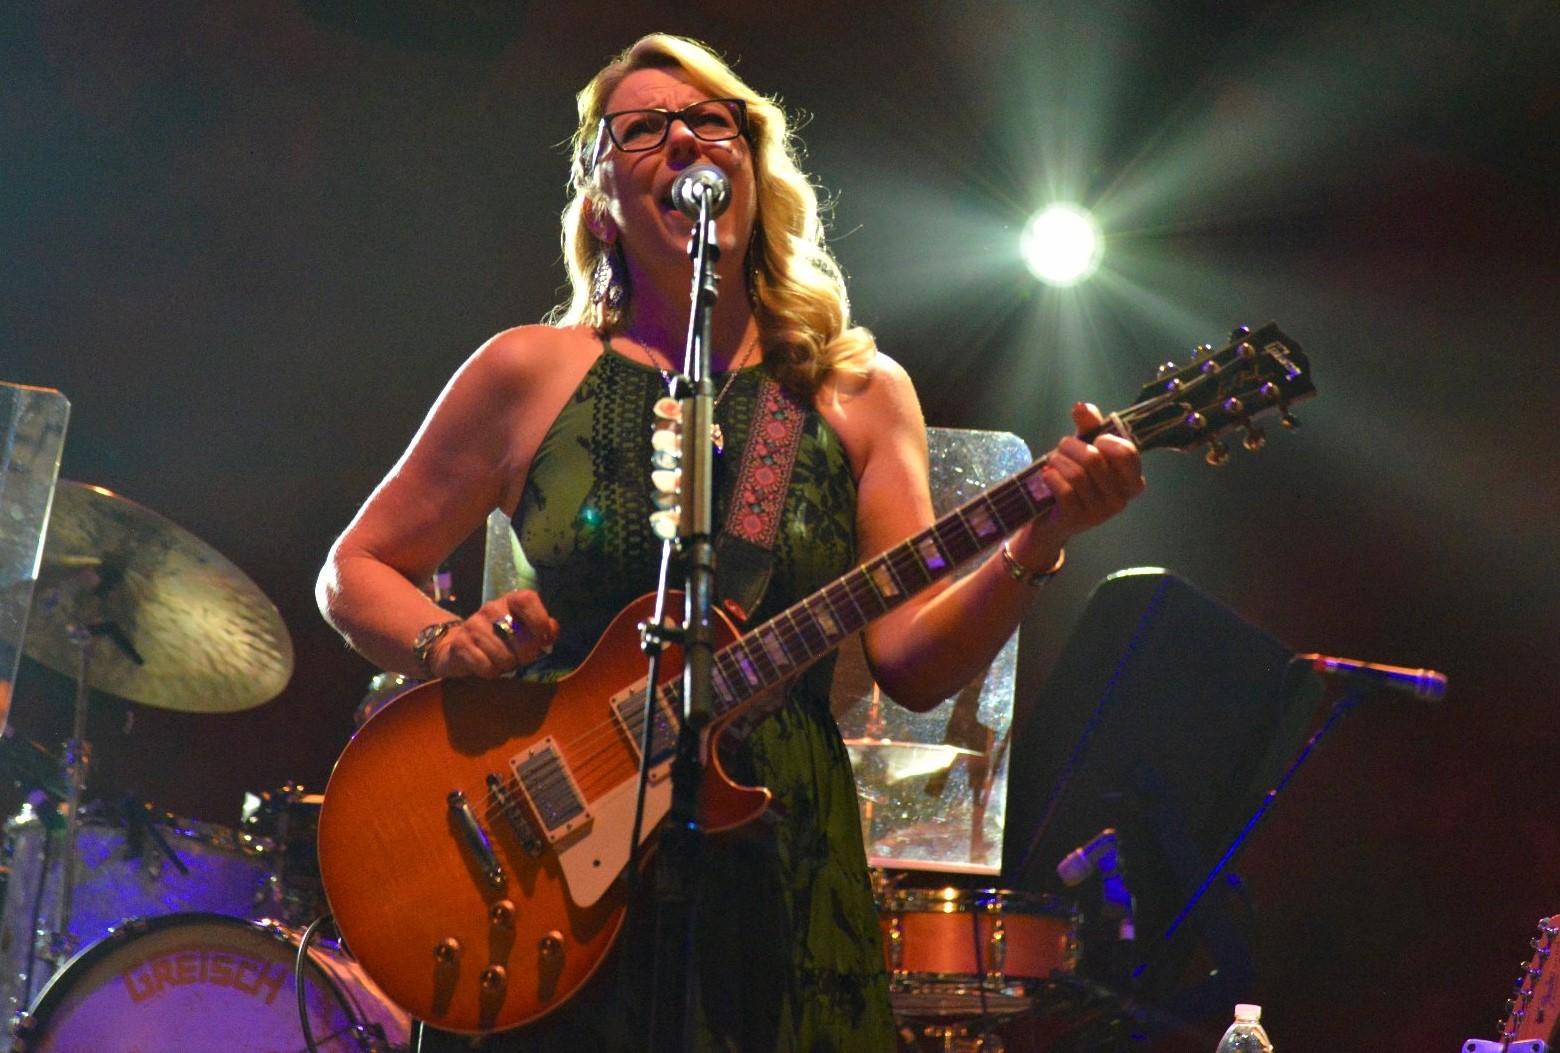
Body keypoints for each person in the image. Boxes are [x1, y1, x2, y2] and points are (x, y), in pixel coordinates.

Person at [316, 32, 1145, 1053]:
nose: (684, 141)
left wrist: (1038, 541)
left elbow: (911, 663)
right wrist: (446, 642)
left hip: (774, 857)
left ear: (751, 169)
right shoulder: (525, 372)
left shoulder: (856, 392)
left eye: (713, 122)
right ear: (598, 196)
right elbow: (354, 569)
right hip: (541, 851)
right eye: (642, 130)